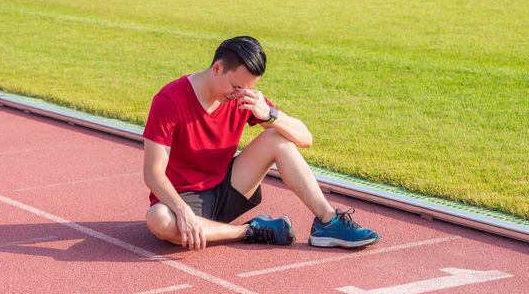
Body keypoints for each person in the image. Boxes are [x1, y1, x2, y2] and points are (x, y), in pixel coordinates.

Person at [143, 35, 380, 251]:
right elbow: (153, 174)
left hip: (227, 190)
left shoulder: (243, 98)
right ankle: (250, 230)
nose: (240, 94)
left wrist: (269, 114)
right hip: (184, 197)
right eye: (236, 87)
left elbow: (305, 139)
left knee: (277, 137)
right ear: (217, 68)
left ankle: (328, 222)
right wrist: (182, 210)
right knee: (159, 220)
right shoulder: (169, 101)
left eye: (247, 88)